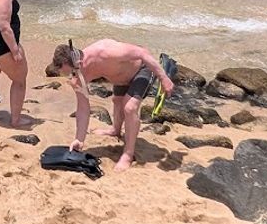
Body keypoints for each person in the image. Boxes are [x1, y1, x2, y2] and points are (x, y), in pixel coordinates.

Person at [47, 38, 173, 171]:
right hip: (119, 78)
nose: (72, 77)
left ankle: (128, 154)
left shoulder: (105, 51)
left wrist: (164, 78)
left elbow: (143, 53)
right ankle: (115, 130)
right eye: (68, 75)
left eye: (72, 72)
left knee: (129, 108)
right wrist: (79, 139)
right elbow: (83, 108)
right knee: (117, 101)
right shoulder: (78, 78)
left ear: (79, 62)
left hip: (142, 69)